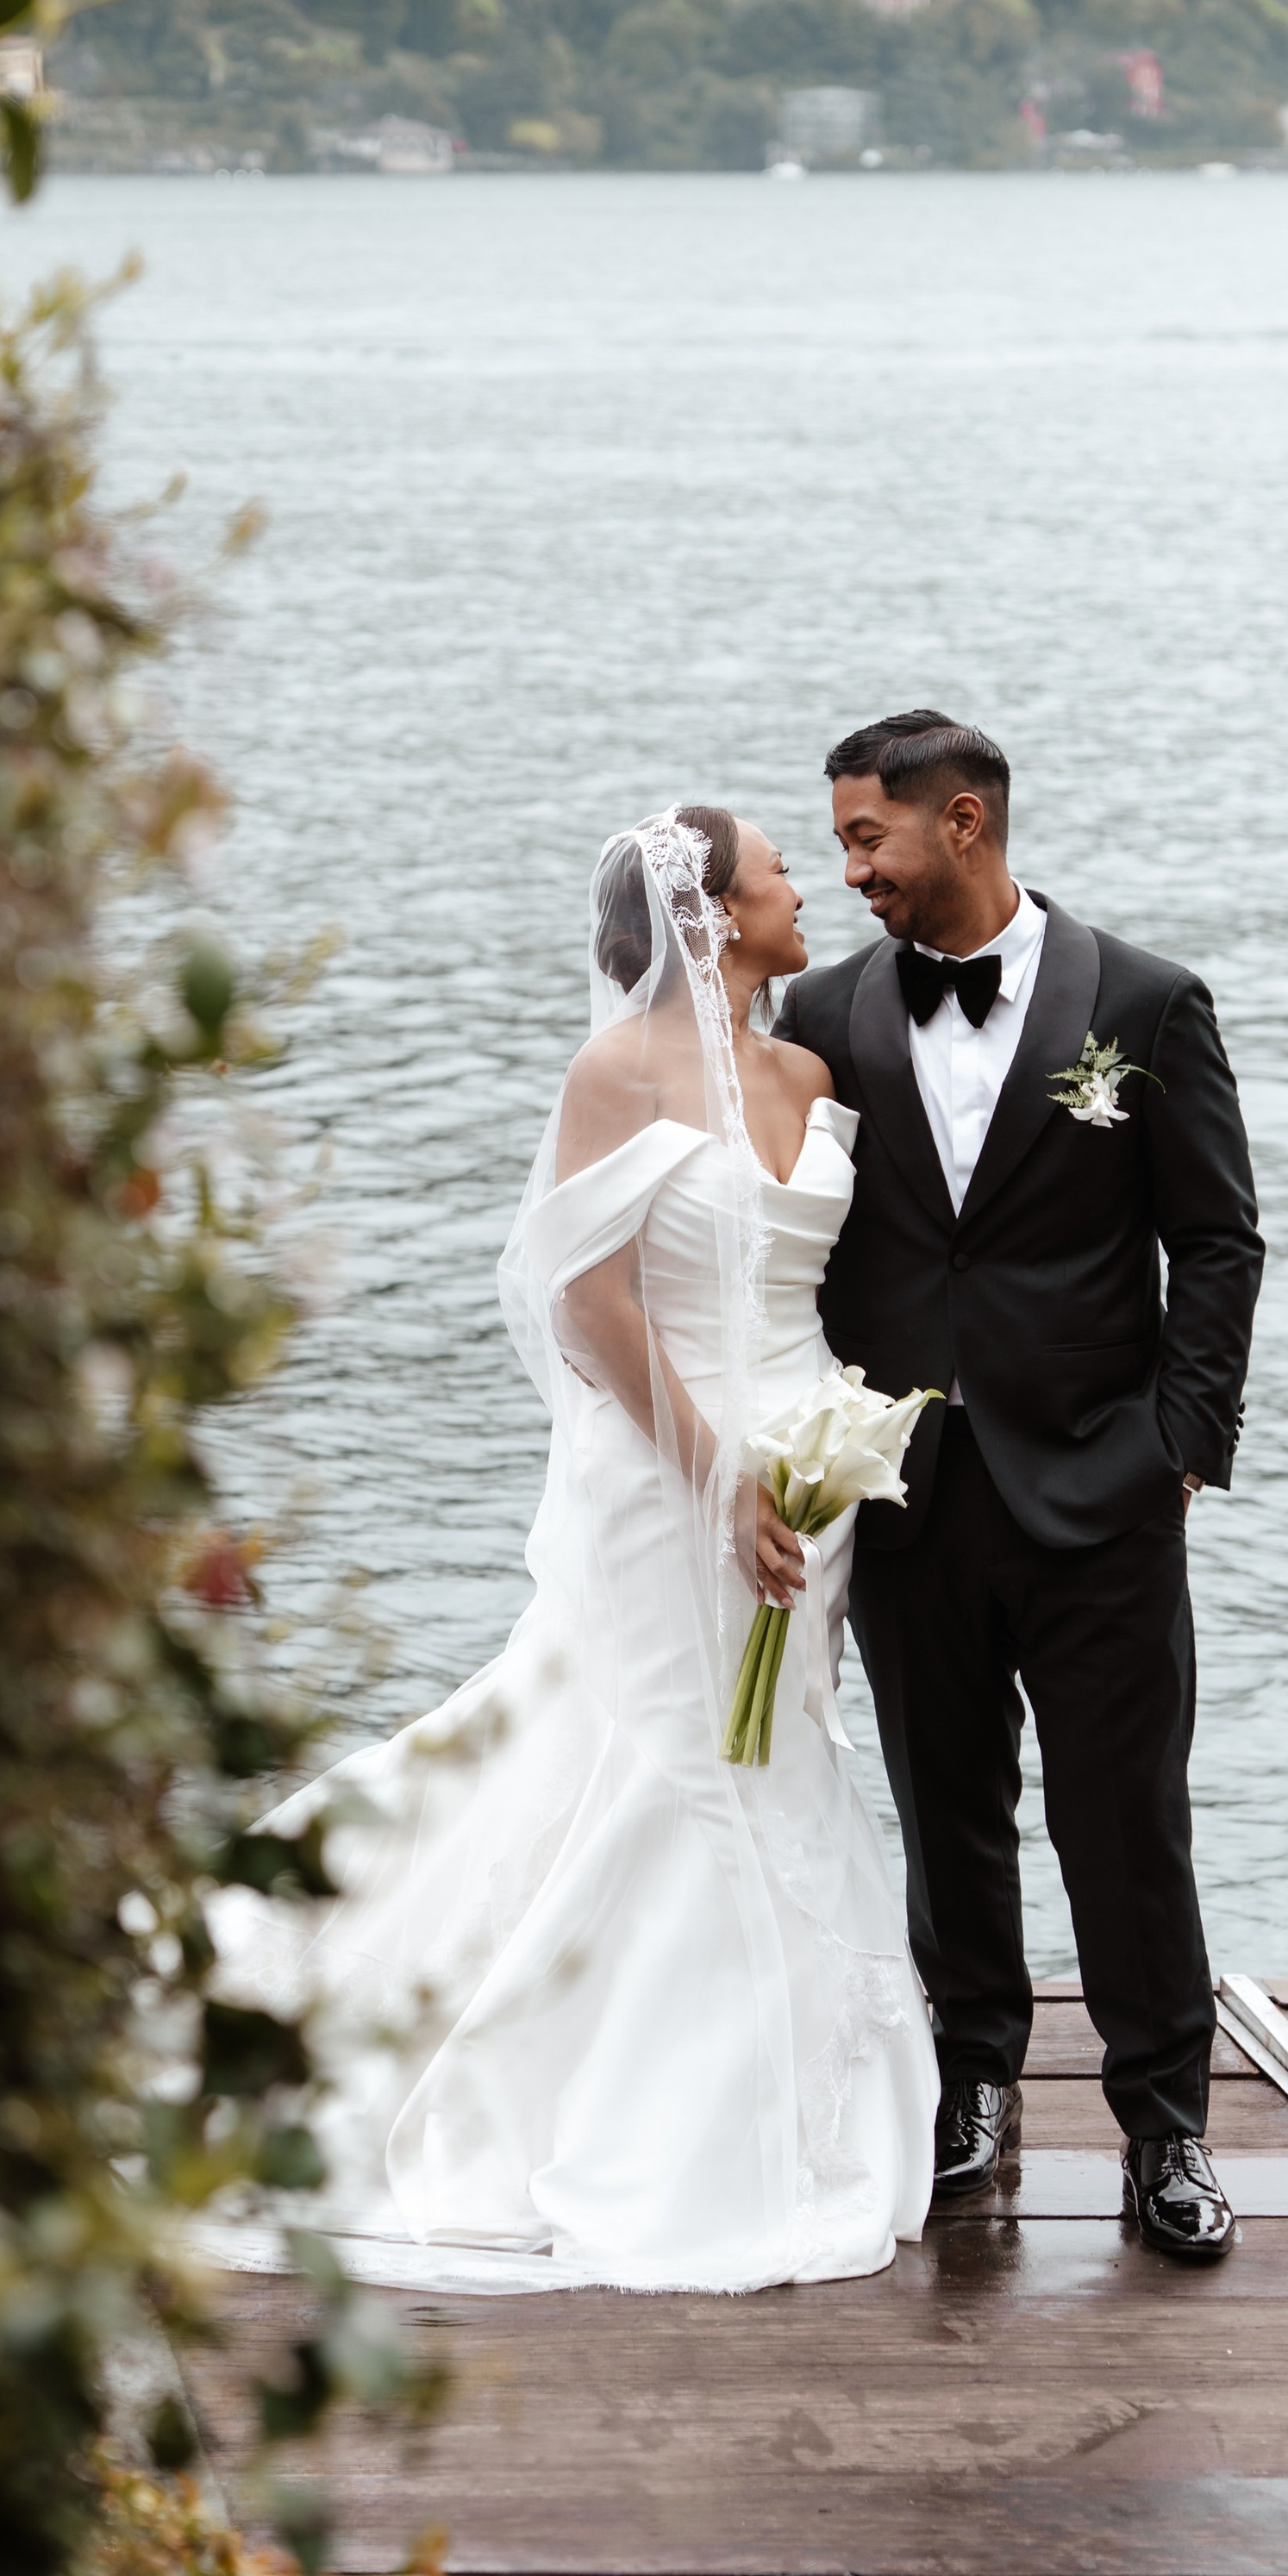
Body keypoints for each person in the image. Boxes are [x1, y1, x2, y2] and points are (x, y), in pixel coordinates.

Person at [211, 806, 938, 2291]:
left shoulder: (809, 1068)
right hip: (668, 1464)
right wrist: (721, 1474)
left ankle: (784, 2079)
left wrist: (820, 1456)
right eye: (782, 870)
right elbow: (591, 1301)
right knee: (673, 1753)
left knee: (780, 1747)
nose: (807, 886)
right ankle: (640, 2100)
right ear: (719, 914)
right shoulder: (618, 1073)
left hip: (812, 1459)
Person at [775, 711, 1265, 2264]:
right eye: (841, 841)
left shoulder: (1144, 1001)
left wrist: (1180, 1444)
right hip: (911, 1491)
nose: (852, 869)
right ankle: (974, 2084)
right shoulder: (823, 1013)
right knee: (948, 1809)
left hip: (1103, 1488)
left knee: (1126, 1819)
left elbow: (1221, 1243)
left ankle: (1166, 2128)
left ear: (965, 824)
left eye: (870, 838)